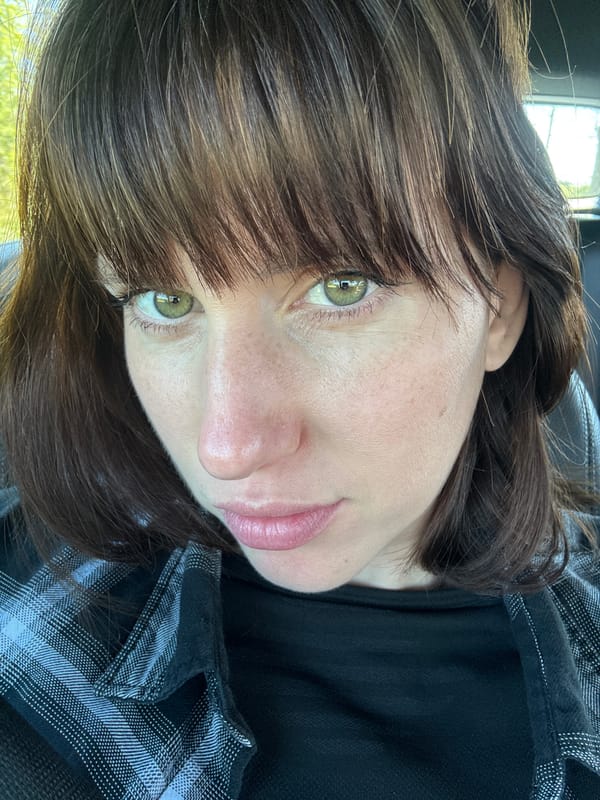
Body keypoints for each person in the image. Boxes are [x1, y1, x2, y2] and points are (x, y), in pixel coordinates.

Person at [0, 0, 599, 797]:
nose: (227, 446)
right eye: (163, 302)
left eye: (341, 287)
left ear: (499, 308)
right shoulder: (34, 626)